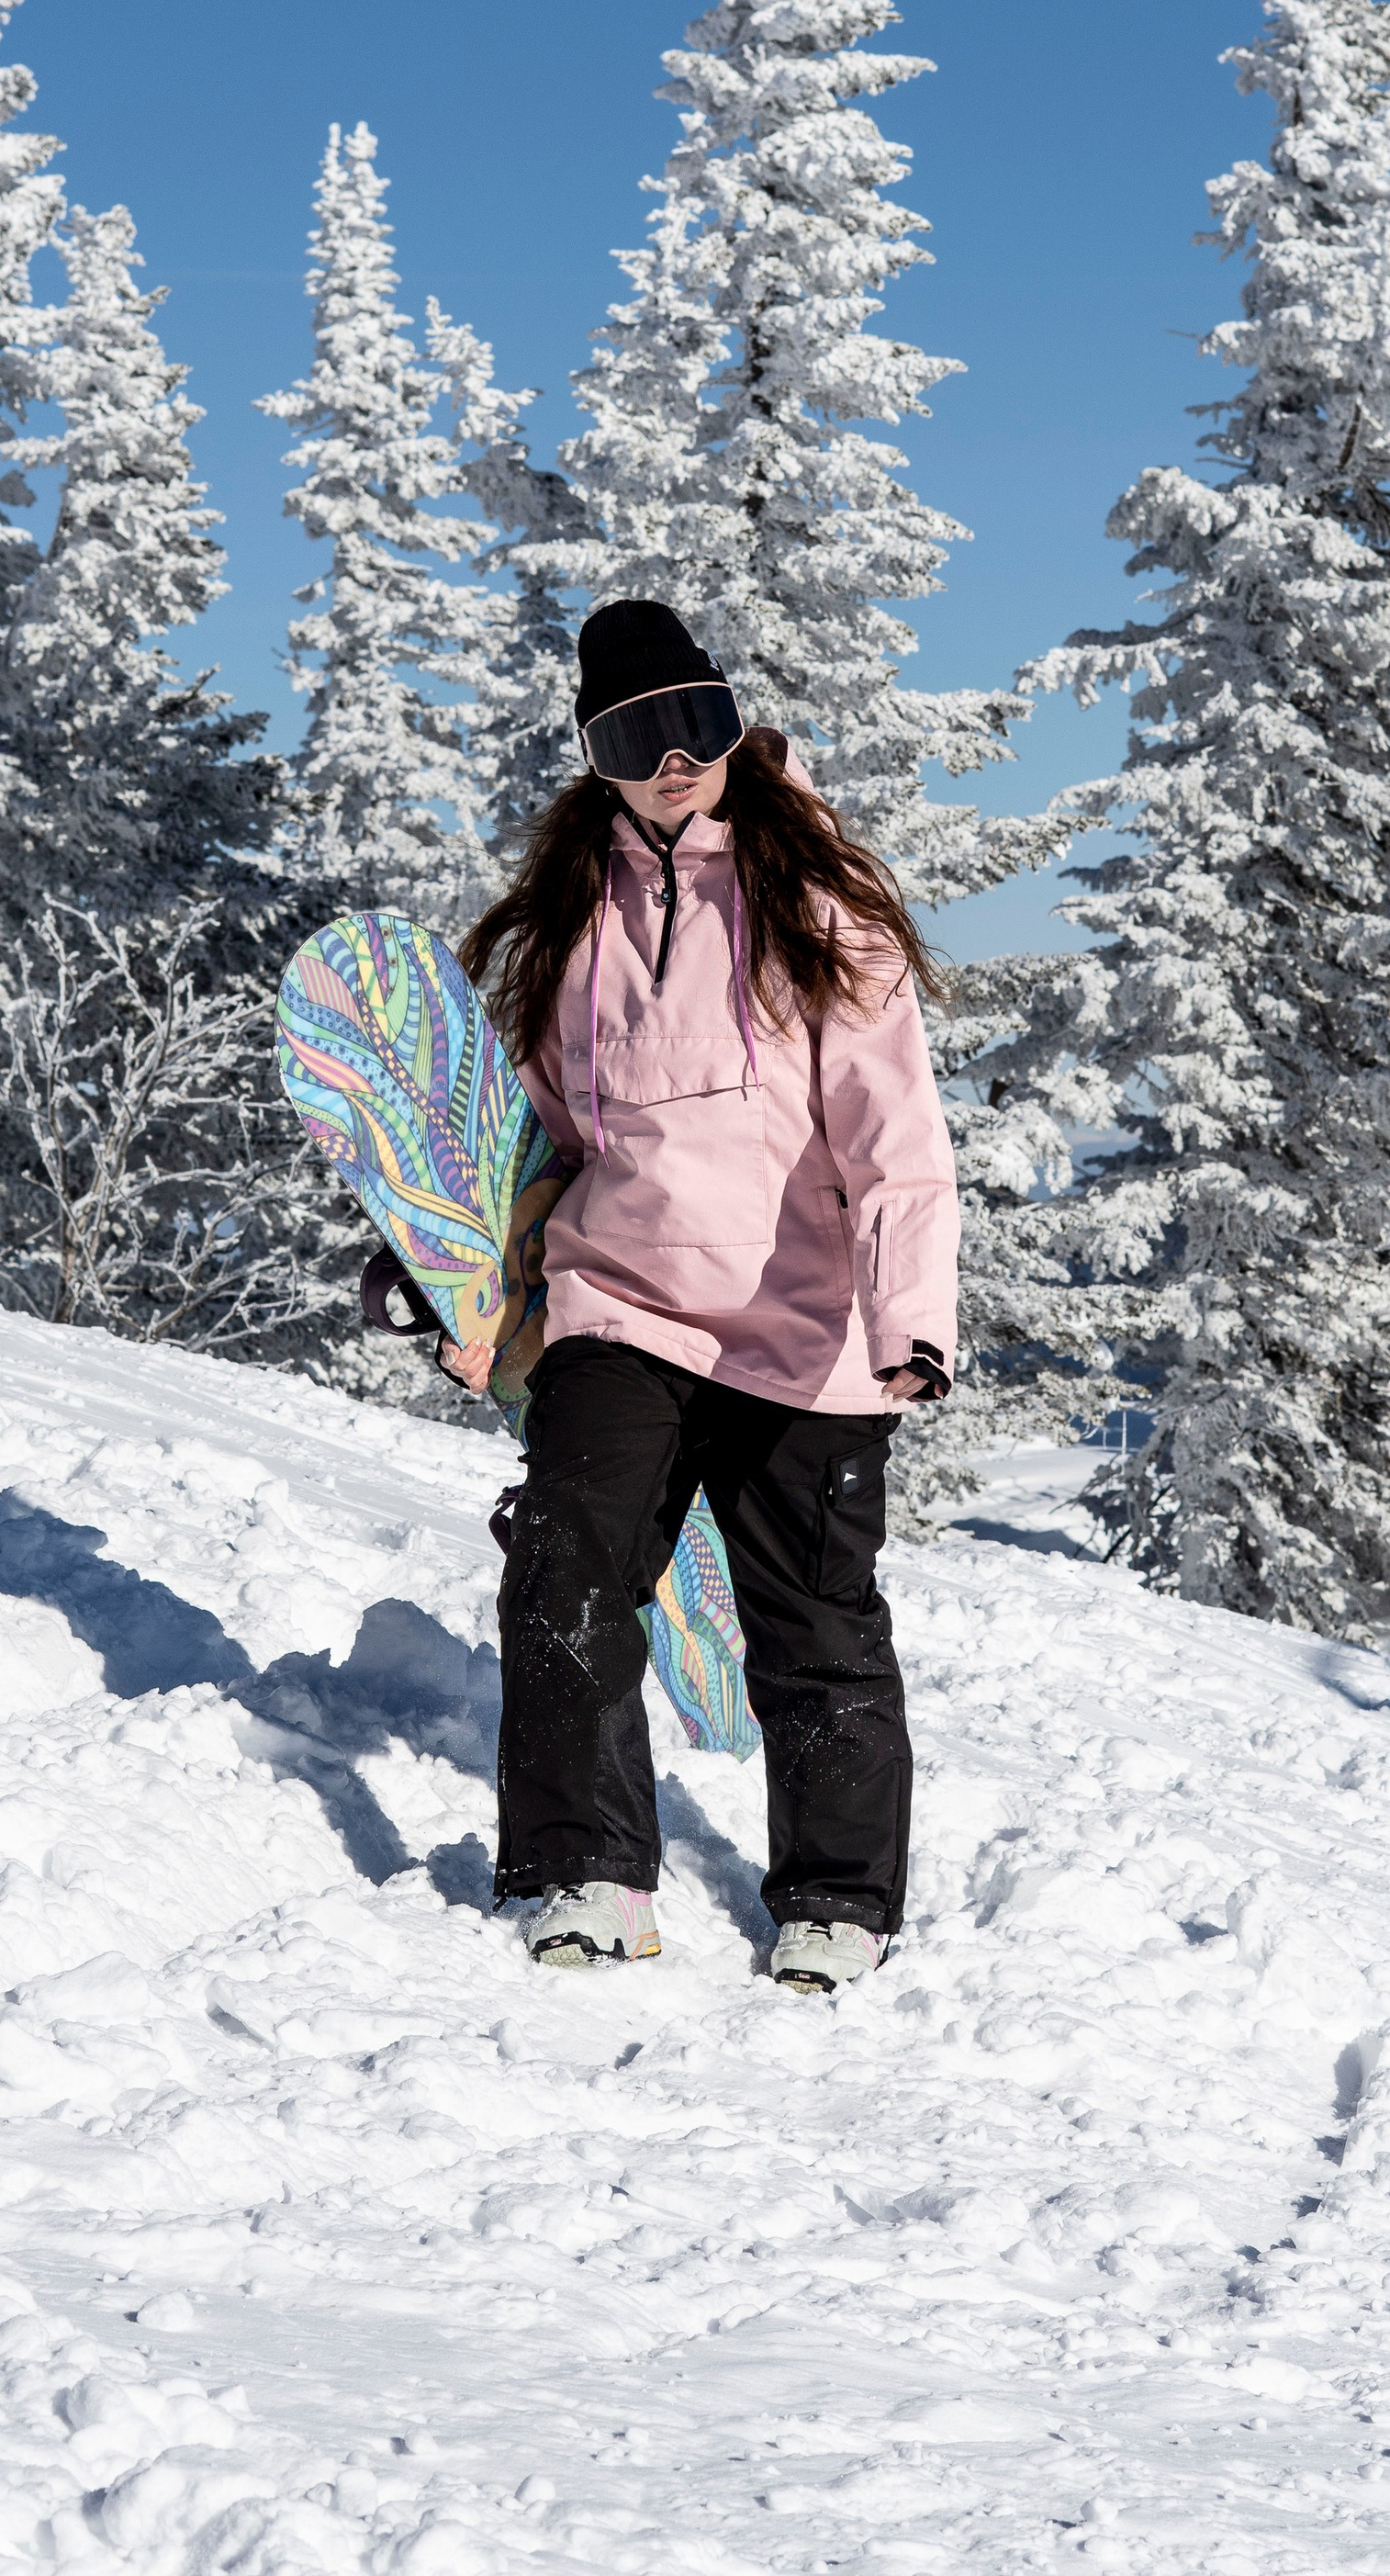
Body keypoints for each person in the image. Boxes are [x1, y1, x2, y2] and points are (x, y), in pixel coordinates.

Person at [451, 599, 958, 1993]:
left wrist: (909, 1312)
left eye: (699, 720)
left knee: (813, 1620)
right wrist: (462, 1275)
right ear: (595, 755)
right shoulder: (577, 919)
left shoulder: (817, 899)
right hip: (623, 1299)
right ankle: (590, 1868)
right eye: (638, 732)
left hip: (802, 1317)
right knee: (565, 1559)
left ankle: (840, 1895)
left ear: (732, 724)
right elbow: (545, 1139)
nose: (676, 757)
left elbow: (894, 1135)